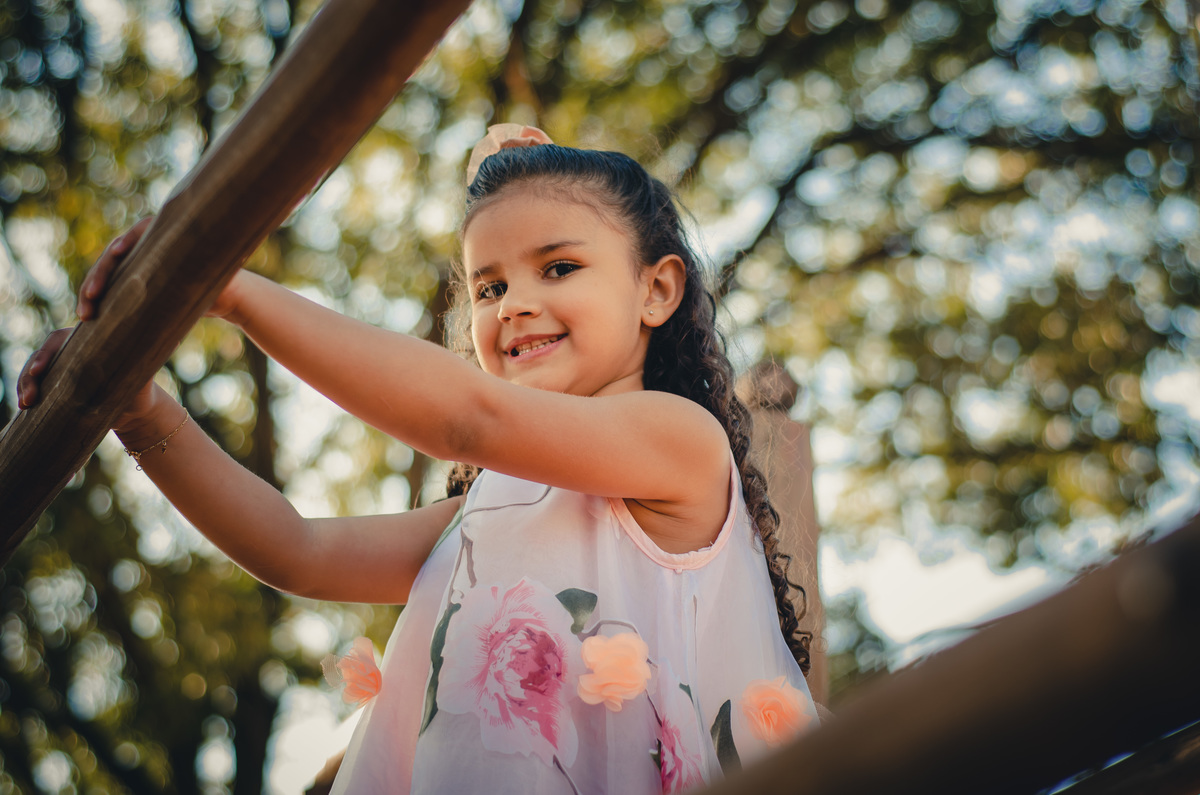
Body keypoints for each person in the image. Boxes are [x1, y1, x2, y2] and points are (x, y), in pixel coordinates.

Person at [18, 125, 818, 794]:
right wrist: (144, 412)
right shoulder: (494, 511)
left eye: (559, 266)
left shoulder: (681, 441)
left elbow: (467, 416)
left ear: (657, 290)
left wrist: (224, 289)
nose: (515, 304)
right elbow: (297, 550)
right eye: (487, 286)